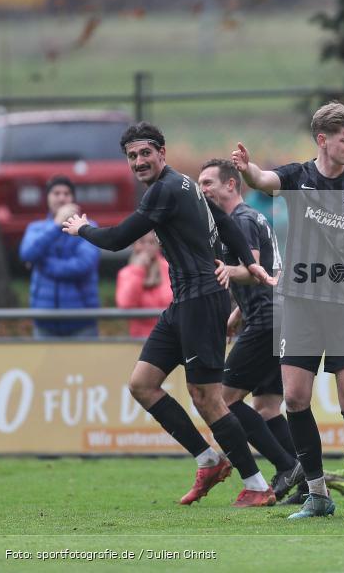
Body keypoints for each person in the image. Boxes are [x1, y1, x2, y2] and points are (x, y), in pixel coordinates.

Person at [62, 122, 278, 508]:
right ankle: (207, 459)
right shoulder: (184, 184)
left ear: (162, 153)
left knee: (208, 398)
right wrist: (251, 263)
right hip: (183, 304)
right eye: (132, 156)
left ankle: (258, 485)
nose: (139, 161)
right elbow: (225, 222)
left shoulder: (164, 190)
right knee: (142, 384)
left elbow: (116, 240)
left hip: (201, 301)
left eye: (146, 153)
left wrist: (82, 229)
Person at [231, 102, 344, 521]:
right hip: (298, 302)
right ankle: (317, 495)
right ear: (323, 140)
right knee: (294, 398)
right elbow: (263, 179)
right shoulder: (298, 176)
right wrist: (246, 170)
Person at [198, 158, 305, 503]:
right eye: (199, 184)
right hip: (274, 314)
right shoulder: (255, 218)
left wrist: (221, 272)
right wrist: (239, 309)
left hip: (267, 319)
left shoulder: (240, 220)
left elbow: (253, 268)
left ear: (232, 184)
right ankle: (305, 481)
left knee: (223, 400)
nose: (202, 190)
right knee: (267, 406)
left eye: (208, 183)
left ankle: (286, 465)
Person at [20, 176, 99, 338]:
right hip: (44, 323)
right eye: (56, 193)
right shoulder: (36, 228)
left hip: (82, 322)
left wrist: (40, 264)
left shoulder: (88, 227)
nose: (62, 198)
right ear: (47, 198)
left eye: (67, 193)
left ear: (73, 199)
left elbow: (83, 265)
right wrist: (56, 225)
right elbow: (26, 253)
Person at [116, 231, 172, 338]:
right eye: (141, 242)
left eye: (151, 242)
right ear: (134, 245)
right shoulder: (126, 273)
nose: (147, 247)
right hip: (140, 339)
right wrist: (138, 270)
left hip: (170, 337)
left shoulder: (169, 269)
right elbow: (125, 304)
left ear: (158, 246)